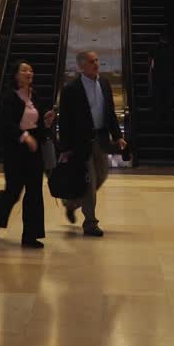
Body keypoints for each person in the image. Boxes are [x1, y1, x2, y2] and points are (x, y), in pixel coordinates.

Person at [57, 51, 126, 237]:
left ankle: (71, 203)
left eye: (96, 60)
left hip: (101, 139)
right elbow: (64, 121)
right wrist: (65, 148)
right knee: (90, 181)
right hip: (81, 143)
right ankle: (90, 223)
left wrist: (117, 135)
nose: (96, 64)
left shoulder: (104, 83)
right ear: (81, 66)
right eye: (91, 61)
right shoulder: (71, 89)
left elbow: (110, 112)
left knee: (101, 175)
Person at [0, 61, 56, 248]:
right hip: (15, 151)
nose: (29, 73)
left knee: (34, 192)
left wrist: (47, 123)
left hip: (34, 151)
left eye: (31, 70)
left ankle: (30, 236)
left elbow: (39, 126)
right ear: (16, 75)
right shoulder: (9, 97)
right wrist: (24, 136)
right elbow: (5, 125)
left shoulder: (35, 96)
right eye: (24, 70)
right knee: (13, 192)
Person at [148, 33, 174, 125]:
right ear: (168, 39)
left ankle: (157, 119)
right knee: (168, 100)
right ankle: (169, 119)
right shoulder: (172, 49)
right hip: (169, 78)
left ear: (160, 39)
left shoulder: (154, 48)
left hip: (157, 78)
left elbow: (149, 63)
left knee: (157, 99)